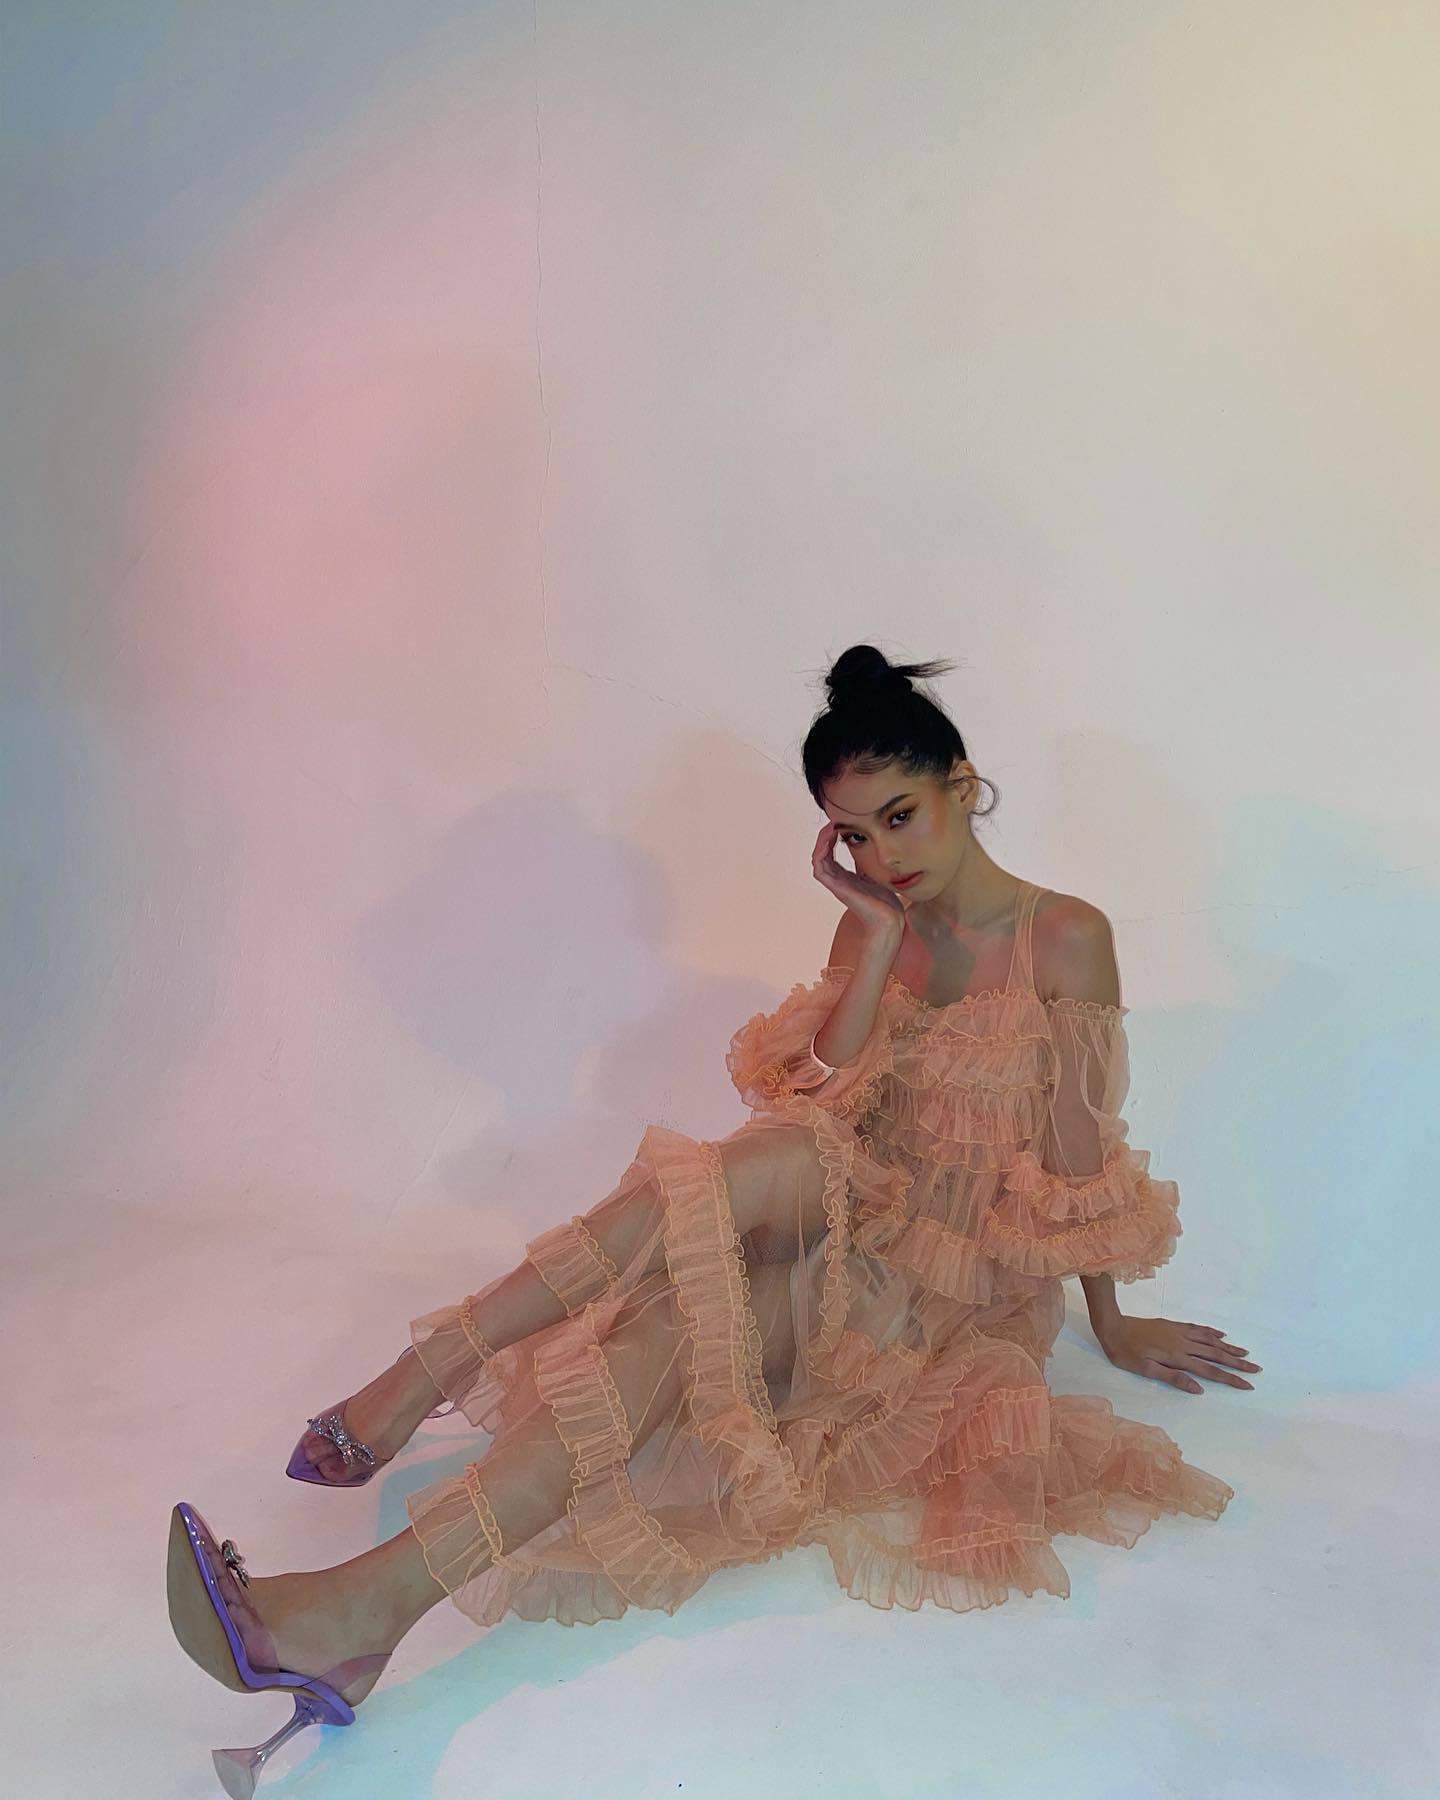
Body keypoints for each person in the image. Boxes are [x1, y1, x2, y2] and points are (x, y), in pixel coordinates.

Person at [169, 643, 1259, 1793]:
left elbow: (1078, 1163)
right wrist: (874, 938)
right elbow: (817, 1099)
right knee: (766, 1155)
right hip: (833, 1193)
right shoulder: (874, 920)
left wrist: (1111, 1318)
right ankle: (371, 1561)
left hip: (940, 1288)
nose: (884, 856)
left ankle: (366, 1581)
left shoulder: (1065, 936)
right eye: (854, 836)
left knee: (656, 1343)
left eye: (900, 818)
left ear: (963, 785)